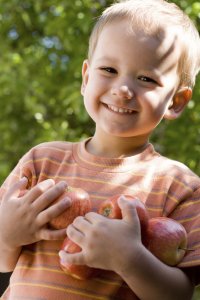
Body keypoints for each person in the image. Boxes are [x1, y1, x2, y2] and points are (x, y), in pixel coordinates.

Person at [1, 0, 200, 299]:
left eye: (146, 78)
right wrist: (7, 236)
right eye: (108, 69)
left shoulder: (179, 186)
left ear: (176, 101)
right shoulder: (41, 161)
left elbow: (178, 293)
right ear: (85, 78)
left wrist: (129, 259)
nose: (123, 88)